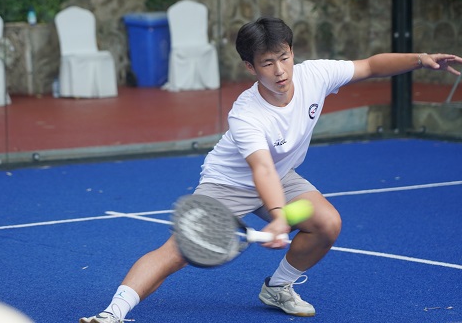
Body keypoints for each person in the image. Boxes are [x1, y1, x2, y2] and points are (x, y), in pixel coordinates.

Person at [79, 17, 462, 322]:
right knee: (178, 251)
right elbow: (260, 168)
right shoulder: (246, 114)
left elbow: (370, 66)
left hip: (281, 176)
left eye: (284, 57)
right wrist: (278, 216)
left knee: (326, 223)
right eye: (267, 62)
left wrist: (420, 59)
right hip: (229, 184)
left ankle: (278, 288)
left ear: (292, 52)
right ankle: (113, 313)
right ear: (250, 67)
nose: (280, 70)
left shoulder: (315, 75)